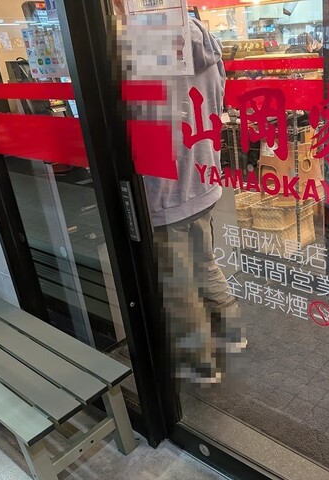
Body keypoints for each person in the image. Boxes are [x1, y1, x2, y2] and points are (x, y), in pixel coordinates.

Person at [142, 18, 245, 384]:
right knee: (205, 262)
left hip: (165, 189)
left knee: (179, 285)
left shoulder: (146, 48)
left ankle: (201, 364)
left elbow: (143, 120)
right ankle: (232, 336)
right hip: (204, 175)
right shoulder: (209, 43)